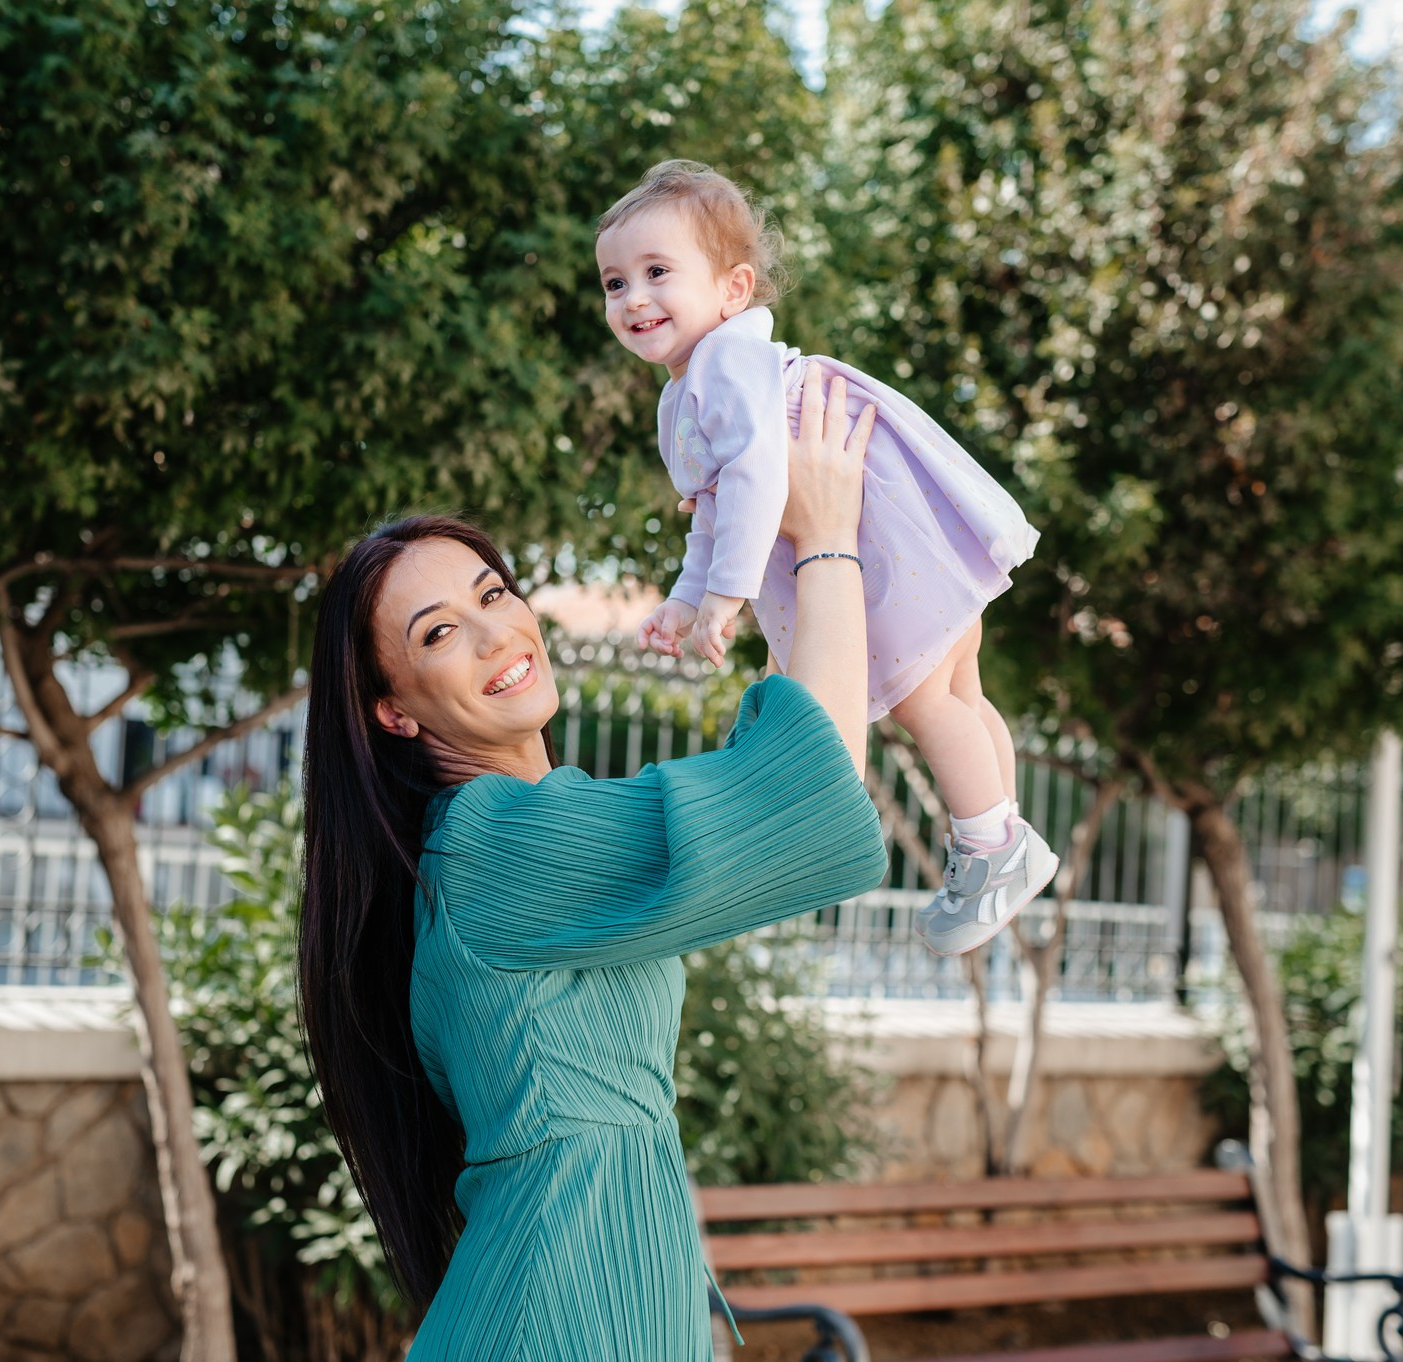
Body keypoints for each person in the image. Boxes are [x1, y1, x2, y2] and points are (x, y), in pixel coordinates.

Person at [297, 366, 889, 1359]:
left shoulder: (513, 839)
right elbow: (808, 796)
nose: (496, 632)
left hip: (608, 1295)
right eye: (439, 633)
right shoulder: (490, 846)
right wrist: (824, 538)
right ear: (393, 711)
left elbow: (803, 783)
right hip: (561, 1316)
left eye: (493, 593)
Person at [597, 159, 1056, 954]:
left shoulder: (722, 366)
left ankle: (991, 848)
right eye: (613, 282)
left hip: (877, 545)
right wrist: (685, 593)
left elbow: (750, 480)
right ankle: (1001, 831)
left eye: (657, 272)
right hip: (908, 541)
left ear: (733, 288)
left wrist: (725, 597)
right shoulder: (701, 379)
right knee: (958, 694)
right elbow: (712, 507)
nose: (633, 298)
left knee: (926, 704)